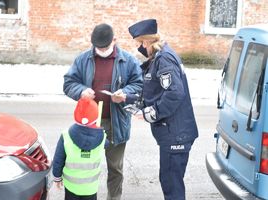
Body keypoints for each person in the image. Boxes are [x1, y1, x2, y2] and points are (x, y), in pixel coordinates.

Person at [63, 23, 143, 200]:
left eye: (105, 47)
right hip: (89, 124)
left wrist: (125, 94)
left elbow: (139, 85)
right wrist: (81, 91)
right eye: (98, 47)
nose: (101, 50)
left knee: (115, 168)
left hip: (116, 122)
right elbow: (68, 83)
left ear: (114, 40)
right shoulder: (83, 59)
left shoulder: (128, 61)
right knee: (86, 167)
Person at [124, 19, 199, 200]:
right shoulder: (159, 58)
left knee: (172, 185)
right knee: (169, 180)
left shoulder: (164, 58)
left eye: (141, 43)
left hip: (176, 133)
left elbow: (175, 92)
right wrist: (128, 98)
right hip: (171, 132)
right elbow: (156, 92)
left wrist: (151, 114)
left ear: (148, 40)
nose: (140, 48)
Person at [52, 97, 107, 200]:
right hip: (91, 188)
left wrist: (57, 177)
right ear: (96, 117)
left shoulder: (66, 135)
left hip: (71, 186)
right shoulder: (102, 137)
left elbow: (58, 159)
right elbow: (106, 144)